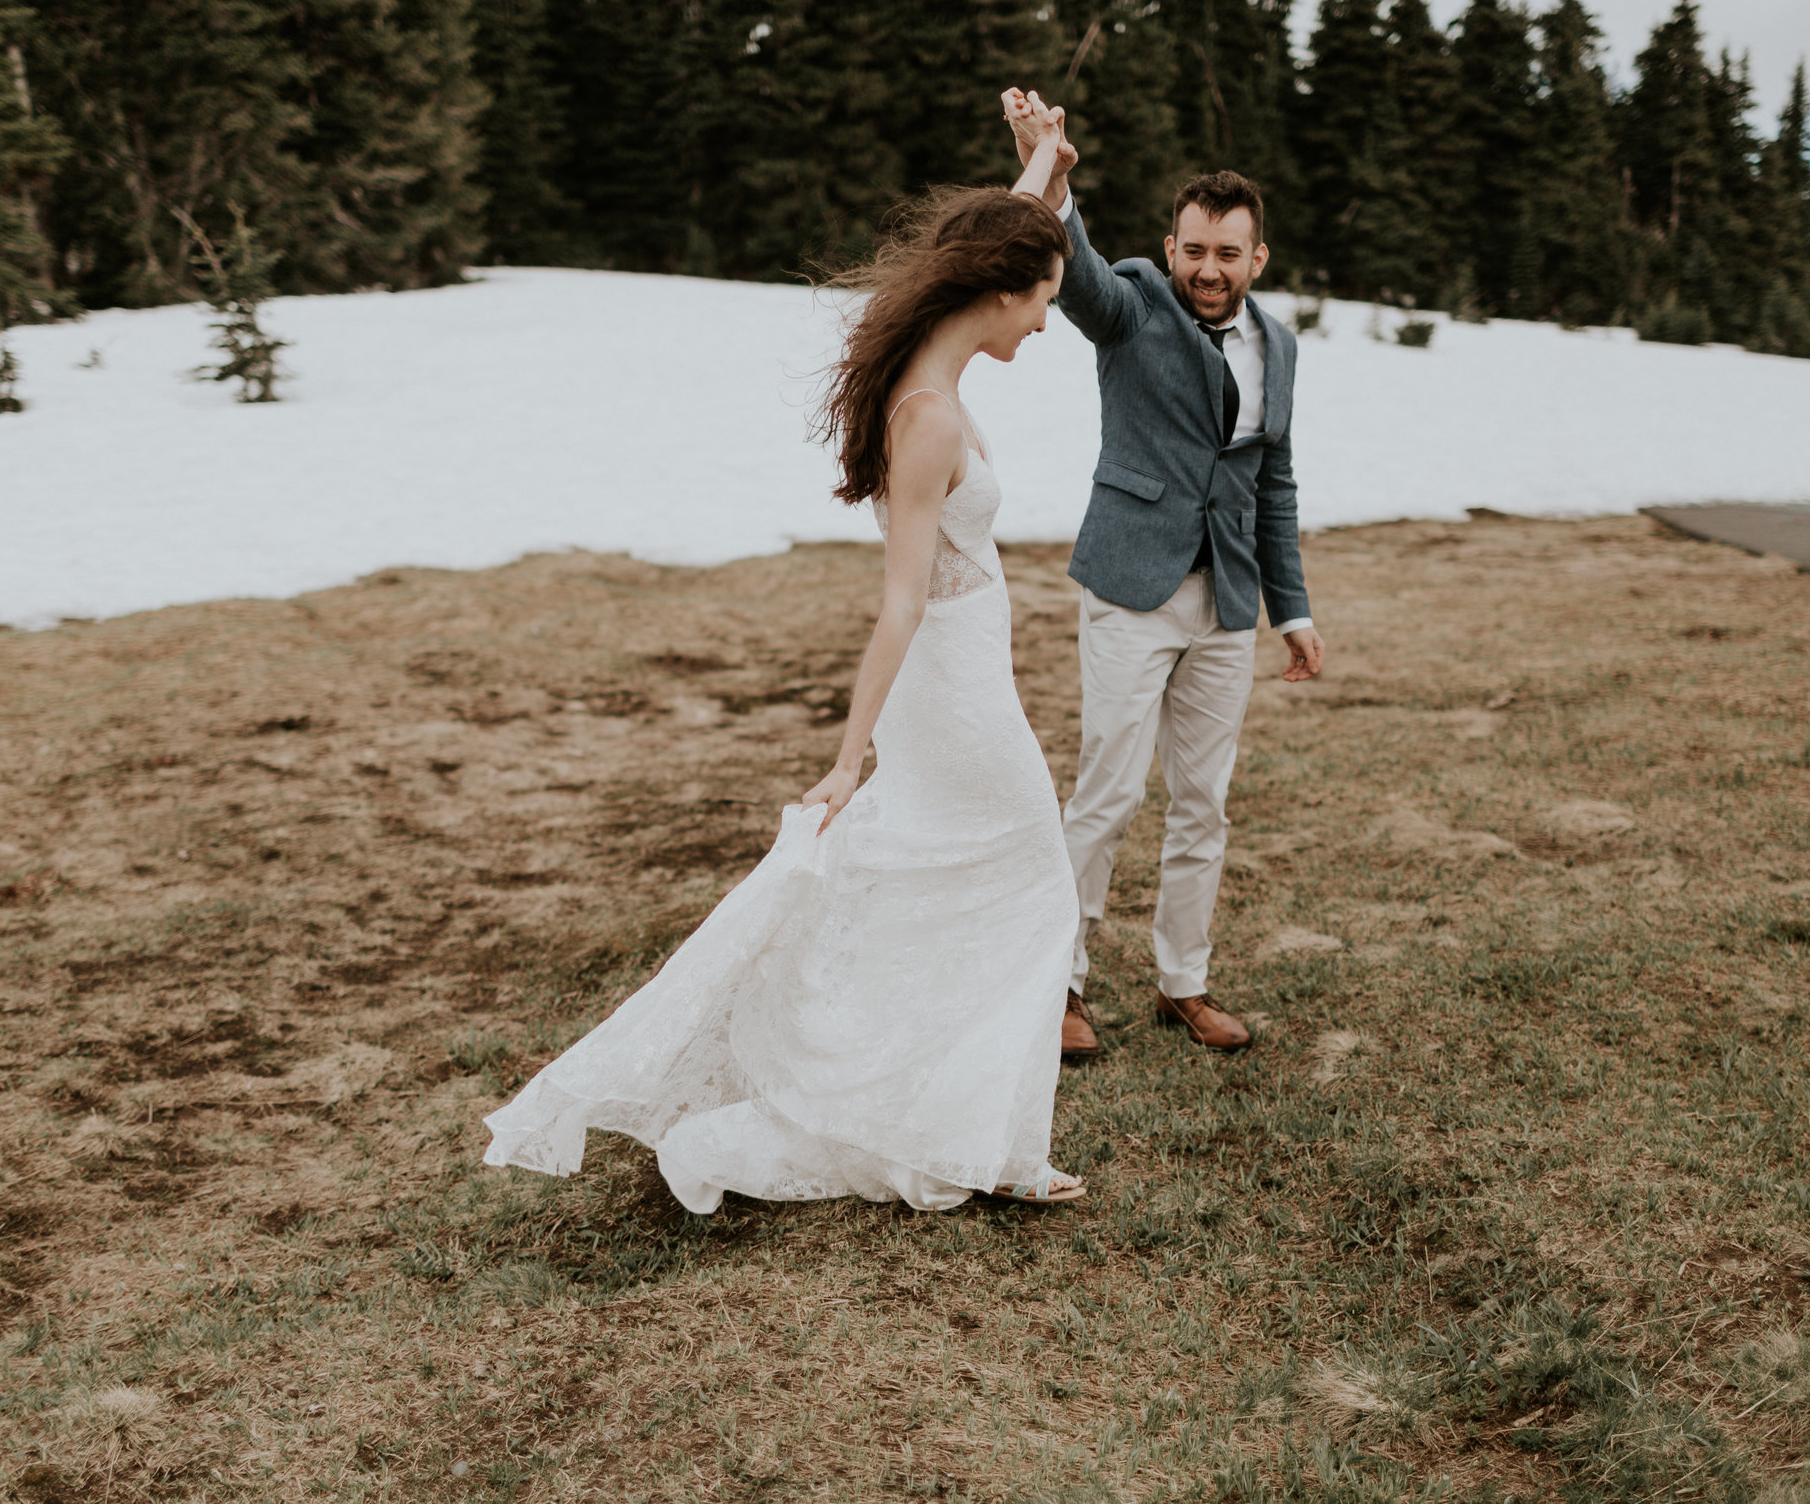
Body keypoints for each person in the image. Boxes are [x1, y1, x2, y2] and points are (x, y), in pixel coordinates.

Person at [481, 119, 1089, 1211]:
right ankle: (964, 1131)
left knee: (959, 885)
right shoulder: (929, 416)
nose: (1048, 317)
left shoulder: (933, 360)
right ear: (998, 291)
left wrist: (1039, 169)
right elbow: (900, 600)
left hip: (965, 679)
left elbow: (994, 246)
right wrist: (848, 758)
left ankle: (976, 1128)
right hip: (947, 691)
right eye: (1042, 296)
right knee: (1032, 881)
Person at [999, 89, 1324, 1064]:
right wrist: (1052, 175)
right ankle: (1058, 979)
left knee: (1204, 802)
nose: (1207, 268)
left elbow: (1273, 478)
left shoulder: (1280, 345)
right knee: (1106, 792)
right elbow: (1080, 275)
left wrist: (1291, 607)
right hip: (1130, 587)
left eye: (1228, 252)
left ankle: (1184, 981)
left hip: (1225, 604)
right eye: (1194, 248)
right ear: (1171, 245)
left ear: (1256, 258)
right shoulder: (1135, 300)